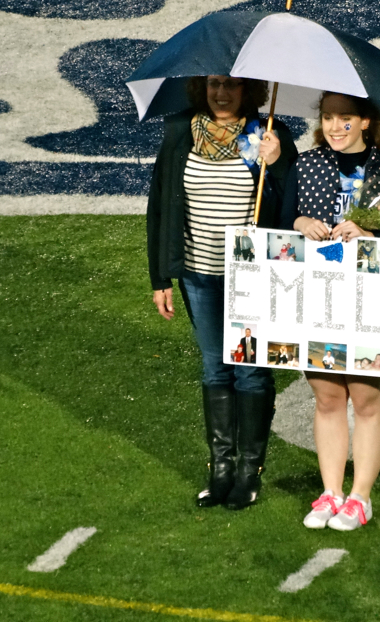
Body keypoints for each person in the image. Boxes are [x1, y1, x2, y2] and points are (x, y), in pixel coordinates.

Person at [148, 74, 298, 510]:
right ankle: (221, 470)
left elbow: (292, 201)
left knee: (249, 370)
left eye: (232, 85)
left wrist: (279, 162)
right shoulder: (180, 130)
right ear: (203, 86)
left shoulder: (270, 133)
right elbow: (160, 203)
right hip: (198, 273)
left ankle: (249, 471)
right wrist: (160, 277)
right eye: (215, 83)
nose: (221, 93)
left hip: (252, 275)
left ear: (249, 90)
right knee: (215, 368)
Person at [281, 91, 380, 531]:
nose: (335, 127)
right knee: (328, 397)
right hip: (317, 296)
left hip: (370, 298)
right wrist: (300, 223)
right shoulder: (305, 164)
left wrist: (371, 232)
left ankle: (360, 498)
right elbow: (280, 219)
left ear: (366, 122)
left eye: (346, 118)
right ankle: (331, 492)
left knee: (367, 398)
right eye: (328, 117)